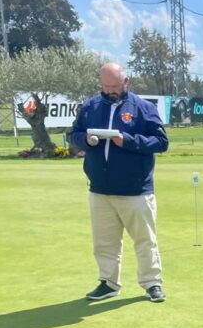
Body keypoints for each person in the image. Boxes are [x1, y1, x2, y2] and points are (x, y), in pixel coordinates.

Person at [71, 63, 168, 302]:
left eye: (114, 86)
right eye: (105, 86)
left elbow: (161, 142)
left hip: (136, 190)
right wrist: (86, 140)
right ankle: (108, 282)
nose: (110, 90)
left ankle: (152, 283)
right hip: (100, 189)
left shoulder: (143, 108)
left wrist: (128, 141)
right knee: (104, 241)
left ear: (126, 82)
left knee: (145, 240)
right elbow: (74, 135)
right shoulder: (90, 106)